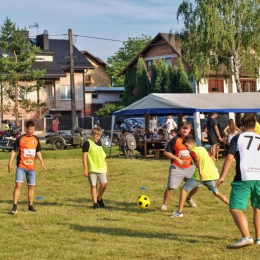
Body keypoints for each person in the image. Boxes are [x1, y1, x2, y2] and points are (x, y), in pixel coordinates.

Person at [216, 114, 260, 249]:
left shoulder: (238, 138)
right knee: (258, 207)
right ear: (255, 125)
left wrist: (222, 175)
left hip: (244, 176)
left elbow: (230, 157)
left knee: (235, 207)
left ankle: (246, 237)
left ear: (243, 126)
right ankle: (259, 238)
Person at [170, 134, 229, 218]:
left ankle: (179, 212)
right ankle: (232, 206)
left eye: (187, 146)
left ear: (191, 143)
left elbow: (198, 162)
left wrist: (201, 173)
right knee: (216, 192)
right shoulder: (202, 148)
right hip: (209, 175)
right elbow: (212, 158)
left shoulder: (193, 151)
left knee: (183, 189)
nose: (187, 148)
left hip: (200, 176)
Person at [8, 120, 46, 214]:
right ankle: (14, 207)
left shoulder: (36, 139)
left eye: (33, 129)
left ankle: (30, 206)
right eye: (30, 129)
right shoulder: (20, 139)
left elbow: (38, 151)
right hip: (21, 166)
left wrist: (42, 162)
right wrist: (10, 162)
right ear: (26, 128)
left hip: (32, 168)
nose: (32, 131)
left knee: (31, 187)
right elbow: (14, 151)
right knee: (18, 185)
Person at [161, 121, 199, 212]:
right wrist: (176, 159)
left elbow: (196, 152)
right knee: (171, 187)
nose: (184, 130)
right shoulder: (175, 139)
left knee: (197, 185)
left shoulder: (192, 139)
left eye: (187, 129)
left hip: (189, 167)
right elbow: (166, 152)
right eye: (183, 128)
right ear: (180, 129)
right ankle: (164, 204)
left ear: (190, 130)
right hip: (176, 167)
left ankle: (189, 198)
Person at [82, 126, 108, 209]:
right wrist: (85, 169)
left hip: (101, 167)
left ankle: (99, 198)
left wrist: (106, 166)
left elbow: (102, 156)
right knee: (94, 185)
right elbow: (84, 157)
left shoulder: (100, 143)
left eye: (99, 135)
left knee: (104, 183)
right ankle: (95, 203)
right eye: (95, 135)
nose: (97, 137)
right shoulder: (87, 143)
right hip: (92, 168)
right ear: (92, 134)